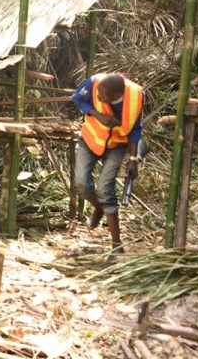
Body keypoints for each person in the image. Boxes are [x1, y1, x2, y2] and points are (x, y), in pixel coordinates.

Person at [72, 72, 144, 259]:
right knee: (81, 183)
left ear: (116, 95)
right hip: (90, 140)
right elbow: (78, 98)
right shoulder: (95, 82)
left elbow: (135, 129)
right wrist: (98, 115)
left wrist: (133, 159)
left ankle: (116, 245)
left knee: (105, 189)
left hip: (116, 146)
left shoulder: (136, 95)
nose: (97, 96)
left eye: (103, 95)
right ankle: (99, 208)